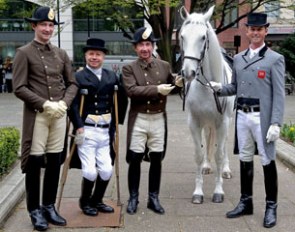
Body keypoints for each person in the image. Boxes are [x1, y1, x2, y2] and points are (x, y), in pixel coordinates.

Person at [210, 13, 285, 228]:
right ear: (246, 30)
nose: (255, 33)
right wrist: (219, 88)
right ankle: (246, 202)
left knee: (267, 161)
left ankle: (271, 205)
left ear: (265, 31)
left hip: (261, 117)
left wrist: (276, 122)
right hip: (242, 115)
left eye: (259, 29)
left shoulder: (275, 59)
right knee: (244, 158)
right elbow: (234, 87)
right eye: (252, 29)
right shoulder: (239, 58)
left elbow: (279, 94)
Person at [12, 6, 78, 231]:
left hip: (58, 114)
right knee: (35, 162)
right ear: (34, 26)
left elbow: (73, 84)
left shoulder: (61, 54)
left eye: (51, 25)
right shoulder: (24, 53)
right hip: (38, 115)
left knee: (54, 161)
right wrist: (44, 103)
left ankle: (49, 206)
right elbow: (18, 87)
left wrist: (64, 104)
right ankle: (34, 210)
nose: (48, 29)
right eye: (44, 25)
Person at [122, 27, 183, 215]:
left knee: (157, 159)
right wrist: (157, 90)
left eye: (148, 44)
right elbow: (131, 91)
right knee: (135, 159)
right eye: (141, 44)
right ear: (135, 47)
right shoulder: (129, 68)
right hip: (139, 117)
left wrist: (178, 84)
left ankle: (153, 198)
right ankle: (133, 197)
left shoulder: (163, 65)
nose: (145, 48)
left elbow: (172, 85)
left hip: (158, 118)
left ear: (153, 46)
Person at [69, 38, 128, 217]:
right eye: (91, 54)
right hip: (85, 130)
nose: (94, 57)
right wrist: (78, 126)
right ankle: (85, 202)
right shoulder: (78, 77)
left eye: (98, 54)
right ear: (85, 55)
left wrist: (117, 124)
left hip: (105, 130)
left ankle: (97, 200)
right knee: (89, 171)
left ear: (104, 56)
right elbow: (72, 104)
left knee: (107, 169)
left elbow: (122, 98)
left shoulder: (112, 76)